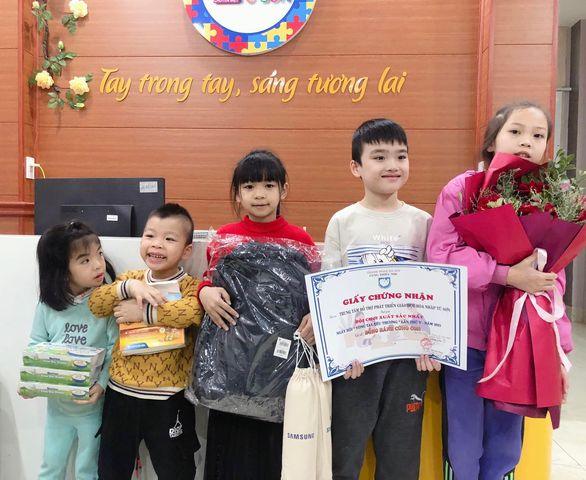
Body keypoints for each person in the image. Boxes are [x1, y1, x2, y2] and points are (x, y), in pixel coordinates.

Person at [426, 101, 573, 479]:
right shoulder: (463, 189)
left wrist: (560, 350)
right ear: (492, 141)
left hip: (521, 343)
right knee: (463, 444)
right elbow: (441, 256)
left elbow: (554, 279)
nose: (526, 142)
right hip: (468, 341)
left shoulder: (551, 198)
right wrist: (504, 274)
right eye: (516, 132)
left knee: (506, 444)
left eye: (537, 136)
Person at [322, 118, 440, 480]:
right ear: (356, 167)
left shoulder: (423, 222)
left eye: (401, 156)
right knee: (345, 454)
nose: (392, 164)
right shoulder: (343, 221)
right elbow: (331, 293)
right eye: (379, 156)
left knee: (401, 457)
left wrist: (432, 344)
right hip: (356, 361)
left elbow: (435, 295)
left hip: (408, 359)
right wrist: (340, 351)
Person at [197, 149, 316, 480]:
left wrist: (314, 315)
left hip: (280, 364)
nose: (259, 194)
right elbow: (210, 280)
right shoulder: (224, 238)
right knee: (228, 450)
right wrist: (203, 292)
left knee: (274, 451)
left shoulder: (300, 240)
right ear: (237, 194)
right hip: (232, 361)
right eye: (249, 186)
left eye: (268, 185)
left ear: (283, 190)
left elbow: (310, 293)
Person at [88, 203, 202, 480]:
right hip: (120, 394)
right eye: (150, 235)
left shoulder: (191, 286)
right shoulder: (131, 279)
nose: (157, 244)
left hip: (168, 398)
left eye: (169, 238)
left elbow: (192, 312)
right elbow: (96, 304)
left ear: (186, 250)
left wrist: (144, 313)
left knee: (176, 471)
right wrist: (127, 287)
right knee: (111, 471)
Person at [24, 221, 117, 480]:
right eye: (85, 260)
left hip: (93, 408)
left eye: (99, 254)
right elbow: (36, 344)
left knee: (87, 470)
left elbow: (115, 348)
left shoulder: (105, 302)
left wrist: (102, 384)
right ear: (61, 270)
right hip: (58, 408)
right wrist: (32, 381)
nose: (98, 264)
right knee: (50, 467)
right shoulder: (47, 306)